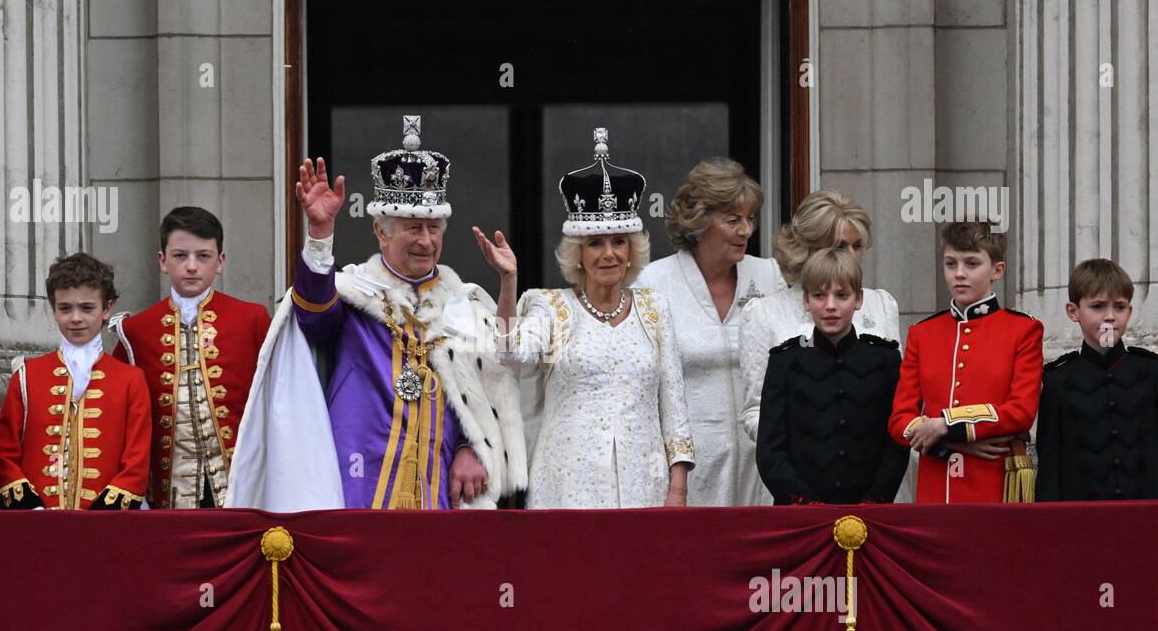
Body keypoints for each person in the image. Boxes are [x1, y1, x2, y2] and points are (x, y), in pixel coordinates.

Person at [232, 115, 527, 510]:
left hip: (439, 483)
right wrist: (320, 236)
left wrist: (471, 445)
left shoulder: (462, 304)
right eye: (412, 228)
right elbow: (314, 317)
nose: (426, 241)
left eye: (434, 228)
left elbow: (493, 380)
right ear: (380, 231)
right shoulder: (356, 294)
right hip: (356, 478)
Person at [479, 127, 695, 508]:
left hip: (644, 483)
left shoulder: (654, 308)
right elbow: (510, 353)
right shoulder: (552, 307)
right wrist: (509, 282)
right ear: (578, 253)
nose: (608, 253)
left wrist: (677, 489)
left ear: (632, 249)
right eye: (595, 243)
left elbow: (674, 406)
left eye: (618, 241)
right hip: (566, 484)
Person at [638, 157, 785, 506]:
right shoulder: (653, 283)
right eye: (733, 220)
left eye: (749, 219)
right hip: (688, 470)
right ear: (698, 221)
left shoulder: (771, 277)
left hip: (762, 464)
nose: (746, 230)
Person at [110, 207, 271, 508]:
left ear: (220, 262)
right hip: (166, 494)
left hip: (240, 490)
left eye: (204, 256)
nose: (192, 266)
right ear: (163, 261)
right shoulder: (135, 331)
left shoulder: (252, 319)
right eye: (180, 255)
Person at [889, 221, 1044, 503]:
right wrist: (948, 439)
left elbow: (1021, 411)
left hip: (994, 482)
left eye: (972, 264)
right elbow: (900, 420)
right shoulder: (922, 333)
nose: (959, 274)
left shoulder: (1023, 330)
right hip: (936, 483)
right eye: (951, 264)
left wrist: (946, 424)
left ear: (997, 270)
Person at [738, 190, 900, 447]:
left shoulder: (881, 304)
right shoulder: (764, 313)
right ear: (806, 248)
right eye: (839, 246)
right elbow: (755, 410)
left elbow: (898, 400)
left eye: (857, 245)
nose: (851, 255)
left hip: (875, 470)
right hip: (797, 474)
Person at [0, 253, 151, 510]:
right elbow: (4, 455)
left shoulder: (131, 380)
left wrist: (103, 515)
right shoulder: (26, 376)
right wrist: (31, 510)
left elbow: (137, 462)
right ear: (54, 310)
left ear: (107, 309)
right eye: (65, 308)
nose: (75, 318)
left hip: (107, 527)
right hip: (36, 524)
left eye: (87, 308)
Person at [756, 248, 908, 504]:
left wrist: (873, 502)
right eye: (819, 295)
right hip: (801, 514)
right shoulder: (785, 362)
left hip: (870, 511)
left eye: (841, 295)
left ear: (858, 299)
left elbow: (896, 444)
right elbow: (770, 451)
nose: (830, 306)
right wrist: (806, 505)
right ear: (805, 300)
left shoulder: (885, 360)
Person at [1036, 259, 1158, 501]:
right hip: (1082, 523)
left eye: (1120, 307)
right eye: (1098, 306)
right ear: (1073, 312)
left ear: (1130, 312)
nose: (1110, 317)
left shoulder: (1152, 371)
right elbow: (1050, 465)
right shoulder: (1058, 380)